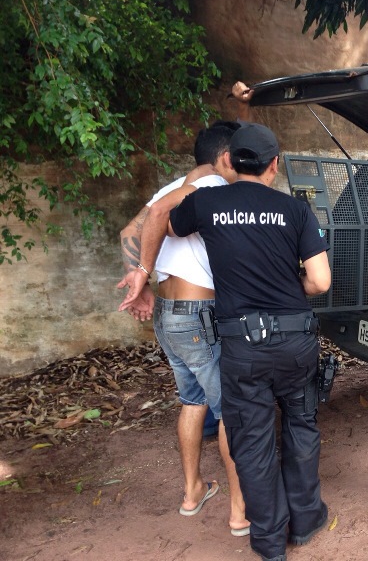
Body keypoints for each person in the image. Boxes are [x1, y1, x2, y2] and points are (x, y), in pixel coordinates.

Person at [123, 121, 331, 561]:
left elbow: (163, 220)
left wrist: (143, 272)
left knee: (251, 438)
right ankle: (307, 519)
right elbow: (320, 281)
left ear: (231, 162)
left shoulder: (208, 202)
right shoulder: (295, 210)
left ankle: (270, 541)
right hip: (296, 341)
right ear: (275, 165)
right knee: (301, 425)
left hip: (244, 346)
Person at [118, 120, 250, 536]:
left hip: (168, 312)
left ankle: (193, 491)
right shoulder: (209, 189)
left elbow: (129, 231)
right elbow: (160, 217)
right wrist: (141, 275)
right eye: (239, 160)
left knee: (193, 401)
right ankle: (239, 510)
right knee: (232, 409)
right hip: (200, 313)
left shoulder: (170, 187)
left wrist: (140, 281)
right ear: (226, 159)